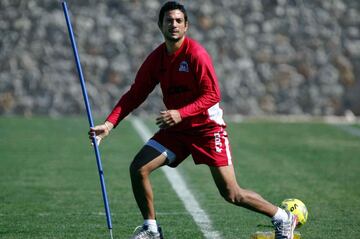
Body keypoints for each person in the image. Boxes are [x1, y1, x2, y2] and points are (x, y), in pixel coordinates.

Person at [89, 1, 297, 239]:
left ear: (186, 26)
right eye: (169, 21)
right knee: (139, 168)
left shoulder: (196, 54)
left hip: (207, 129)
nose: (174, 25)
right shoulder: (156, 59)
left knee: (231, 193)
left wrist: (180, 113)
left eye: (179, 21)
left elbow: (212, 95)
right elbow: (135, 94)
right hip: (177, 131)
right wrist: (109, 124)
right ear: (160, 26)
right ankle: (151, 230)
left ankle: (283, 218)